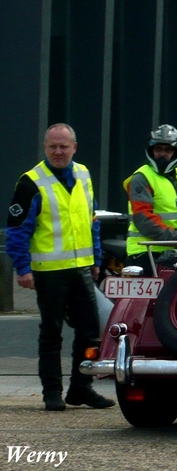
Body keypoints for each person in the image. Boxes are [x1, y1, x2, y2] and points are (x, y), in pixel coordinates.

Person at [5, 123, 115, 411]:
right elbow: (17, 230)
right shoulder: (30, 182)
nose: (58, 151)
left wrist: (96, 259)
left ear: (74, 148)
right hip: (48, 272)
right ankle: (52, 392)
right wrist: (23, 268)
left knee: (90, 331)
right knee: (51, 333)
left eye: (64, 146)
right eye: (53, 146)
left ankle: (81, 388)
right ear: (45, 148)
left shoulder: (83, 175)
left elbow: (92, 220)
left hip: (81, 268)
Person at [123, 124, 177, 274]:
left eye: (168, 150)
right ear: (151, 150)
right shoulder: (141, 177)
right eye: (158, 149)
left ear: (176, 152)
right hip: (145, 252)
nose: (162, 154)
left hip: (174, 251)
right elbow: (144, 218)